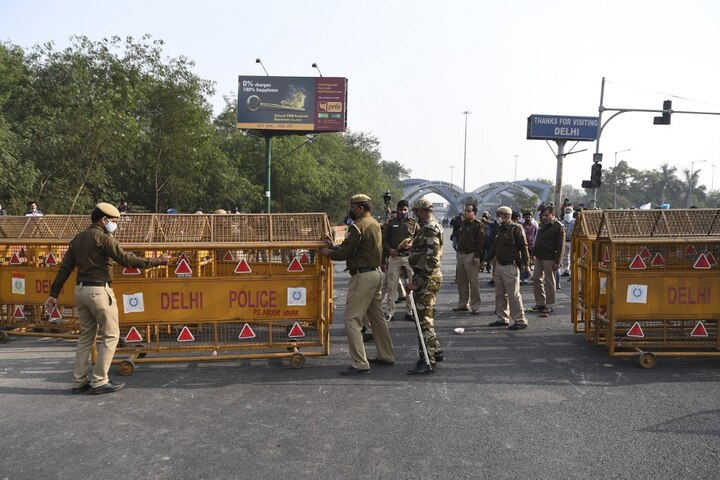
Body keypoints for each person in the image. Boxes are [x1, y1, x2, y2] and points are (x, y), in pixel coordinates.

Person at [44, 203, 169, 394]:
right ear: (104, 220)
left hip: (81, 292)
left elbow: (65, 269)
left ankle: (79, 381)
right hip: (99, 292)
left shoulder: (77, 239)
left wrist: (53, 294)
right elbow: (126, 259)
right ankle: (100, 381)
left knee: (86, 337)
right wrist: (157, 261)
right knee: (111, 335)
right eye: (114, 221)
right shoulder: (104, 238)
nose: (115, 225)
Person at [319, 194, 395, 375]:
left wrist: (327, 252)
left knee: (352, 319)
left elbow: (345, 253)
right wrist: (334, 246)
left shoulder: (358, 227)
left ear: (360, 208)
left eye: (352, 207)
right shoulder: (375, 224)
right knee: (377, 318)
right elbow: (356, 249)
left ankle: (360, 362)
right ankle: (387, 355)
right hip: (376, 274)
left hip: (363, 277)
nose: (350, 210)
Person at [404, 198, 444, 374]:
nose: (415, 215)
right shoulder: (429, 228)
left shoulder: (429, 229)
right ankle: (436, 349)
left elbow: (432, 259)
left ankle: (427, 360)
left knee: (424, 321)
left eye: (417, 212)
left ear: (422, 211)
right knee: (426, 317)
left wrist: (416, 282)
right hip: (427, 277)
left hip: (426, 279)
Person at [486, 206, 531, 330]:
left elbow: (524, 247)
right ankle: (502, 318)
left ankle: (520, 320)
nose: (497, 217)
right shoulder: (499, 229)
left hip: (510, 266)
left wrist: (527, 265)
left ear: (506, 216)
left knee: (514, 295)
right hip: (499, 265)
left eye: (499, 215)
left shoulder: (516, 229)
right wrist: (486, 260)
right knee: (500, 294)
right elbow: (494, 247)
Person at [381, 199, 418, 322]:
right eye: (400, 209)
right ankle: (390, 312)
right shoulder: (391, 224)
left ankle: (410, 311)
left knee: (411, 285)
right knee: (391, 285)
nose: (403, 212)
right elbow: (384, 240)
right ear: (397, 210)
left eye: (405, 209)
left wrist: (412, 243)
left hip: (409, 258)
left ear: (408, 210)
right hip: (394, 257)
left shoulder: (413, 223)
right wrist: (389, 250)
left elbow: (419, 239)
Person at [529, 206, 565, 317]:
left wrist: (557, 261)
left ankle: (549, 305)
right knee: (536, 279)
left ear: (552, 215)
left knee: (549, 281)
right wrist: (533, 255)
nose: (544, 217)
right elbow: (538, 240)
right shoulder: (543, 225)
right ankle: (540, 303)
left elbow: (561, 245)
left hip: (550, 257)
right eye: (543, 215)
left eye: (546, 215)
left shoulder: (558, 227)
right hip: (539, 256)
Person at [452, 203, 485, 314]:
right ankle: (462, 304)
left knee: (473, 282)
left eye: (468, 211)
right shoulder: (463, 223)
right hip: (461, 255)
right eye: (465, 210)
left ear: (474, 213)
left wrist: (477, 256)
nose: (466, 212)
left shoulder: (478, 225)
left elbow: (480, 242)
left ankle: (475, 306)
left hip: (471, 255)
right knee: (461, 281)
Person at [560, 207, 575, 277]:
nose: (567, 214)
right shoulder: (562, 222)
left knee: (573, 256)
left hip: (572, 241)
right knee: (565, 256)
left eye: (569, 212)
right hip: (564, 241)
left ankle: (573, 271)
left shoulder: (575, 221)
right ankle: (565, 270)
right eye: (566, 212)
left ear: (572, 213)